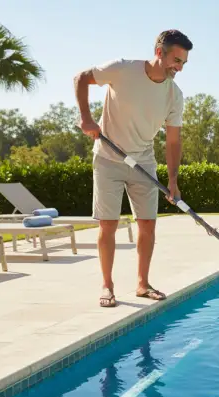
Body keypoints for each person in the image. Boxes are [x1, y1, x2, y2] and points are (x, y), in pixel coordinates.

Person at [74, 29, 192, 307]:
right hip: (108, 158)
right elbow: (81, 78)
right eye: (176, 60)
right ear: (159, 52)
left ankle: (142, 284)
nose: (179, 68)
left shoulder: (174, 95)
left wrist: (173, 181)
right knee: (108, 224)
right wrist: (86, 118)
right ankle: (107, 285)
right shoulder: (122, 69)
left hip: (144, 162)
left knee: (148, 224)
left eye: (184, 63)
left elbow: (173, 141)